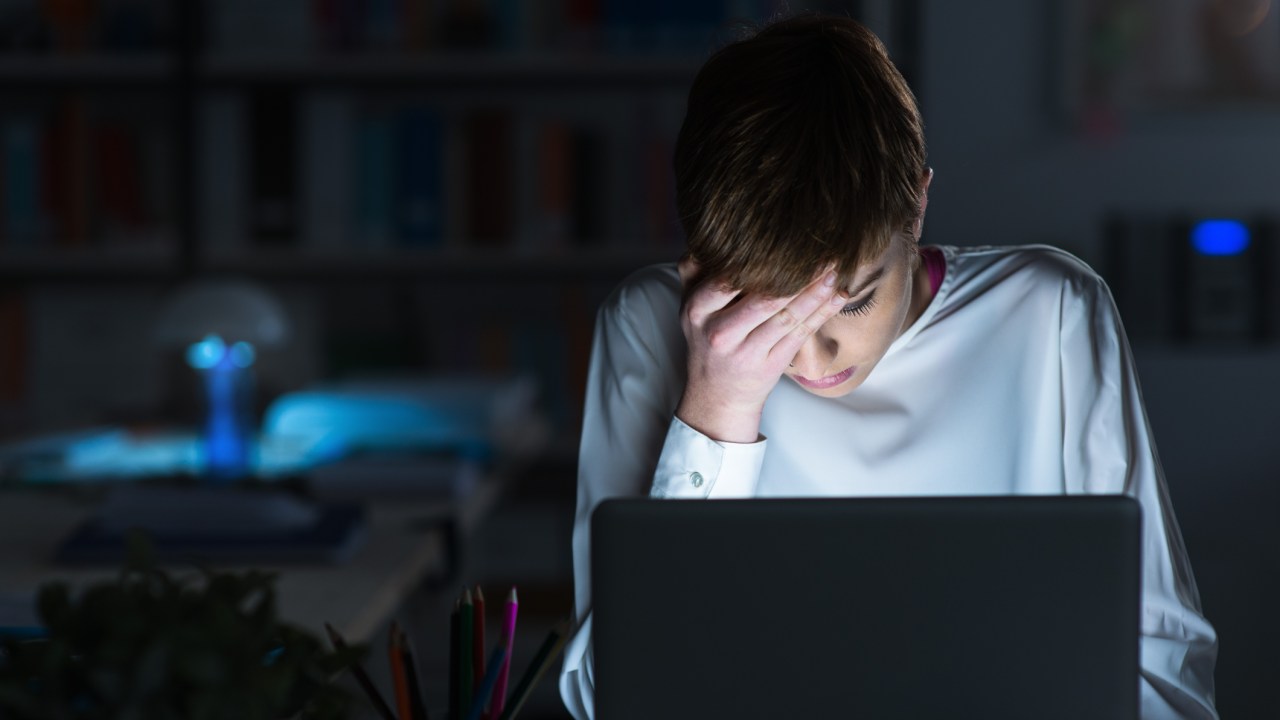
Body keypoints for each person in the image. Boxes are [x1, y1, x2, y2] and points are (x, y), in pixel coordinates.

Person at [558, 12, 1218, 720]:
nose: (809, 357)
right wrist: (716, 413)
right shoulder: (646, 327)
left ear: (918, 205)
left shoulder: (1051, 313)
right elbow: (609, 699)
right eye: (763, 309)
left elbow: (1162, 666)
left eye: (851, 303)